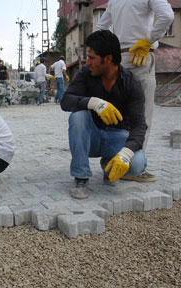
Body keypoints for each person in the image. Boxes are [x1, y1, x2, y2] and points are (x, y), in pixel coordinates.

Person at [61, 30, 148, 199]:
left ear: (107, 59)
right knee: (78, 116)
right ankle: (81, 176)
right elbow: (66, 101)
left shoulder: (132, 83)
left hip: (116, 138)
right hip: (90, 138)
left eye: (92, 57)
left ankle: (110, 163)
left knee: (137, 164)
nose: (88, 62)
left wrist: (125, 154)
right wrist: (93, 103)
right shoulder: (85, 74)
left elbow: (139, 126)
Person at [96, 0, 174, 182]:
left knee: (118, 116)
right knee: (142, 117)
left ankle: (112, 160)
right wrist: (149, 40)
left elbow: (101, 27)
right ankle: (134, 168)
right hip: (140, 56)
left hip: (118, 60)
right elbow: (167, 15)